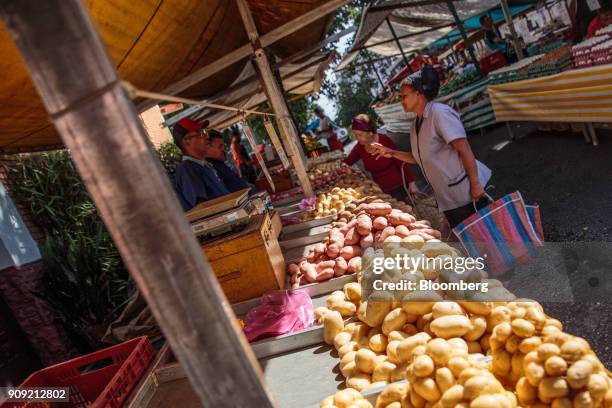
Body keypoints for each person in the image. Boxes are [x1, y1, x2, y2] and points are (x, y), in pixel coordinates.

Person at [371, 67, 492, 229]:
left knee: (491, 240)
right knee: (476, 244)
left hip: (468, 192)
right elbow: (418, 157)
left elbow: (464, 149)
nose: (401, 101)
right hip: (449, 198)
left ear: (419, 94)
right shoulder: (416, 125)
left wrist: (475, 184)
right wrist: (391, 152)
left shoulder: (439, 114)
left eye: (404, 96)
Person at [344, 114, 419, 202]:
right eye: (355, 135)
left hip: (400, 186)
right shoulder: (359, 148)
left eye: (360, 135)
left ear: (369, 132)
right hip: (381, 191)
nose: (357, 138)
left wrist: (411, 182)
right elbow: (348, 161)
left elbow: (401, 161)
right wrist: (341, 165)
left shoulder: (384, 140)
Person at [171, 118, 230, 211]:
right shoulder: (187, 169)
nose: (207, 137)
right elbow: (203, 210)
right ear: (186, 142)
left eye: (205, 132)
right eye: (200, 133)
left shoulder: (203, 166)